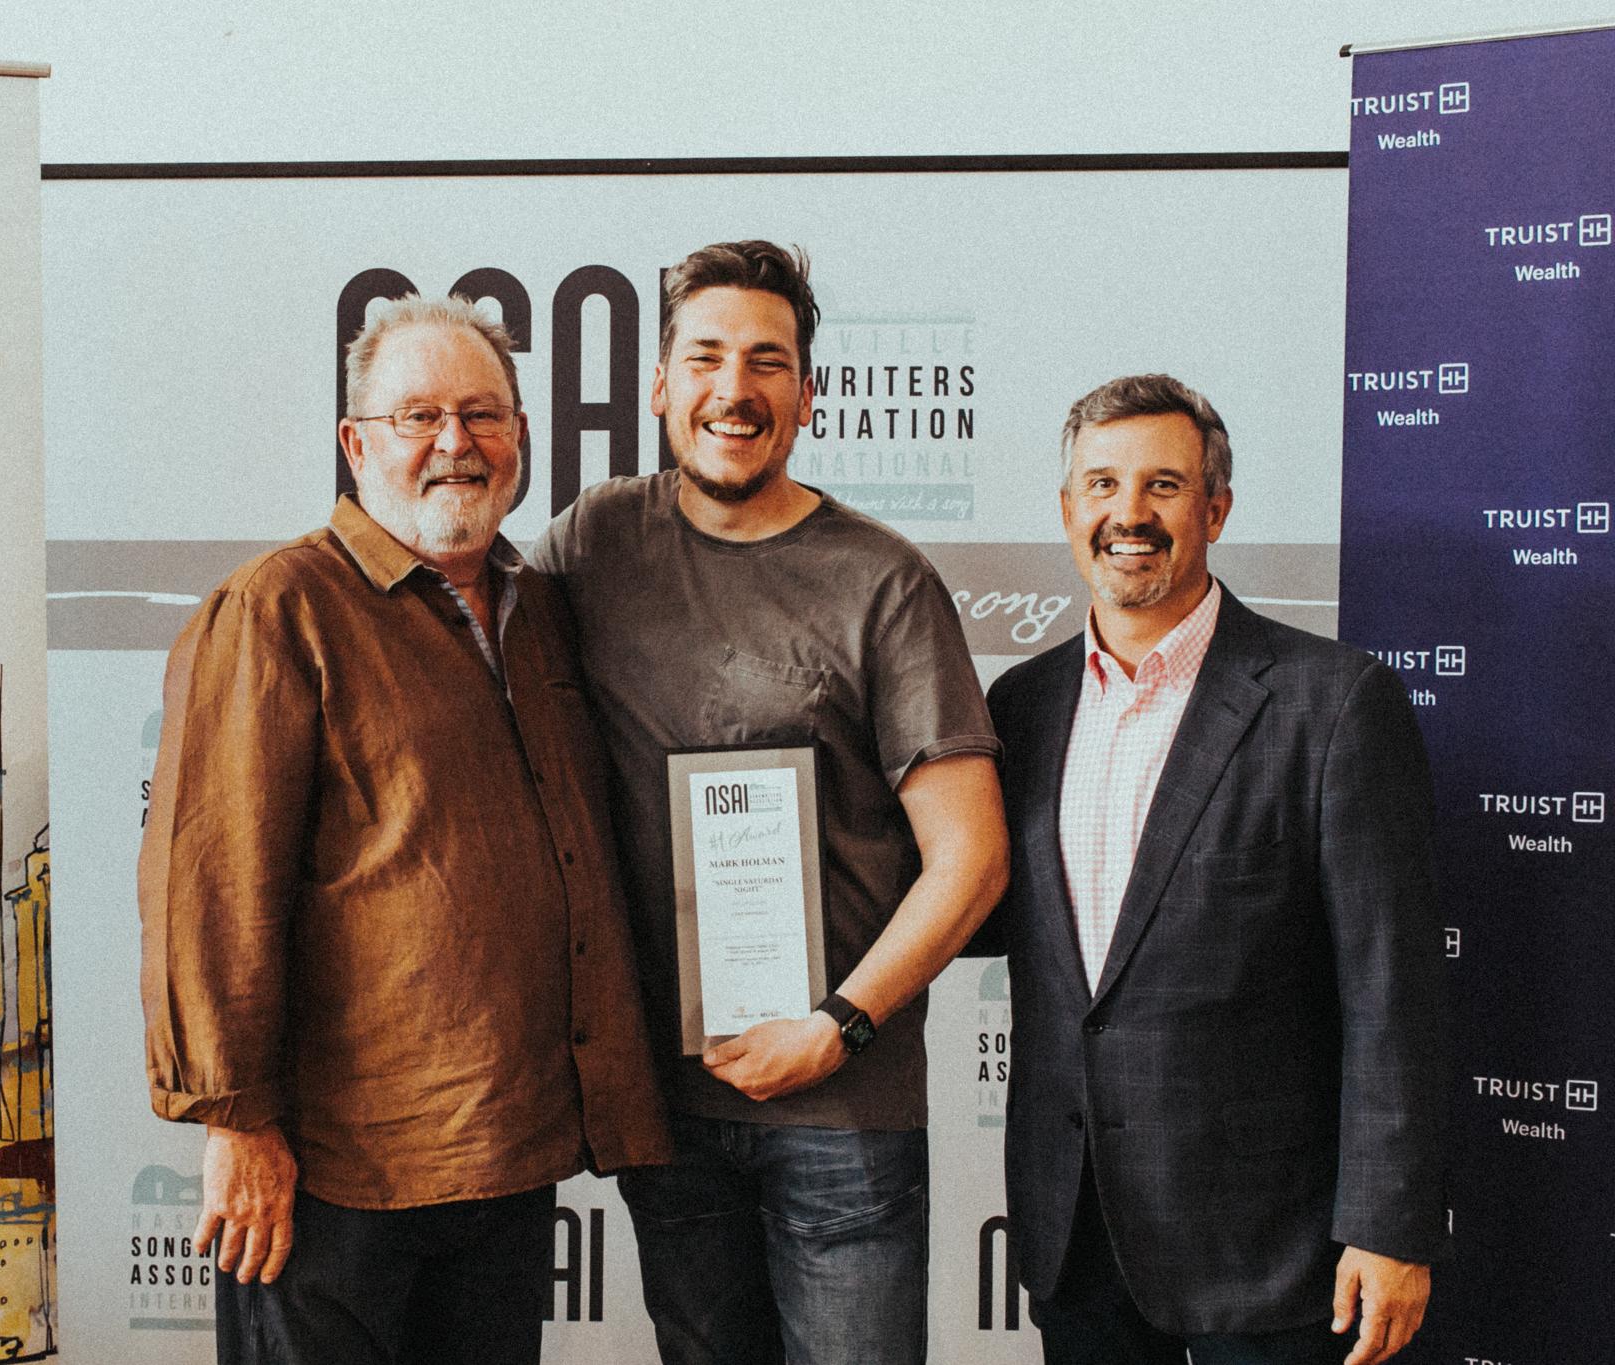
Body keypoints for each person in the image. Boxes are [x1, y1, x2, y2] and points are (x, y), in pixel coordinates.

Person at [137, 294, 669, 1365]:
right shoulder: (279, 608)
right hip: (332, 1174)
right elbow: (211, 888)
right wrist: (236, 1124)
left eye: (482, 414)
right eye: (417, 416)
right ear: (355, 443)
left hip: (504, 1155)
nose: (453, 442)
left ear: (520, 434)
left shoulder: (539, 611)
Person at [531, 240, 1008, 1365]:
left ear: (807, 393)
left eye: (766, 361)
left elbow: (972, 857)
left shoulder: (882, 581)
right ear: (660, 385)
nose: (732, 389)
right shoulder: (594, 542)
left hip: (842, 1114)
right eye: (705, 357)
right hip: (670, 1106)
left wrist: (837, 1027)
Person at [984, 373, 1447, 1365]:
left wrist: (1389, 1223)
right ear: (1066, 511)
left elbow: (1392, 990)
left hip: (1276, 1248)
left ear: (1216, 509)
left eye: (1162, 485)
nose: (1128, 513)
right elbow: (971, 905)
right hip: (1078, 1231)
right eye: (1101, 484)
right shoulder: (1018, 707)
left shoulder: (1333, 703)